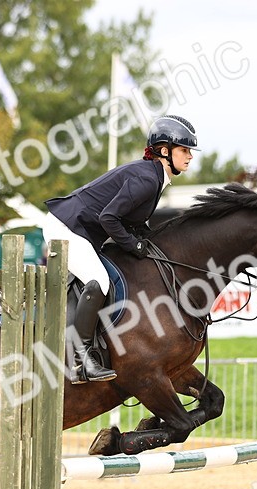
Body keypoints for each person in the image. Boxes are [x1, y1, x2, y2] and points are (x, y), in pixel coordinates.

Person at [43, 114, 197, 383]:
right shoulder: (148, 179)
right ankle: (81, 360)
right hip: (66, 228)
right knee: (99, 280)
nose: (190, 156)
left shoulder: (153, 176)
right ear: (165, 151)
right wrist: (134, 245)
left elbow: (128, 221)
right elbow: (109, 218)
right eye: (184, 150)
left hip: (81, 229)